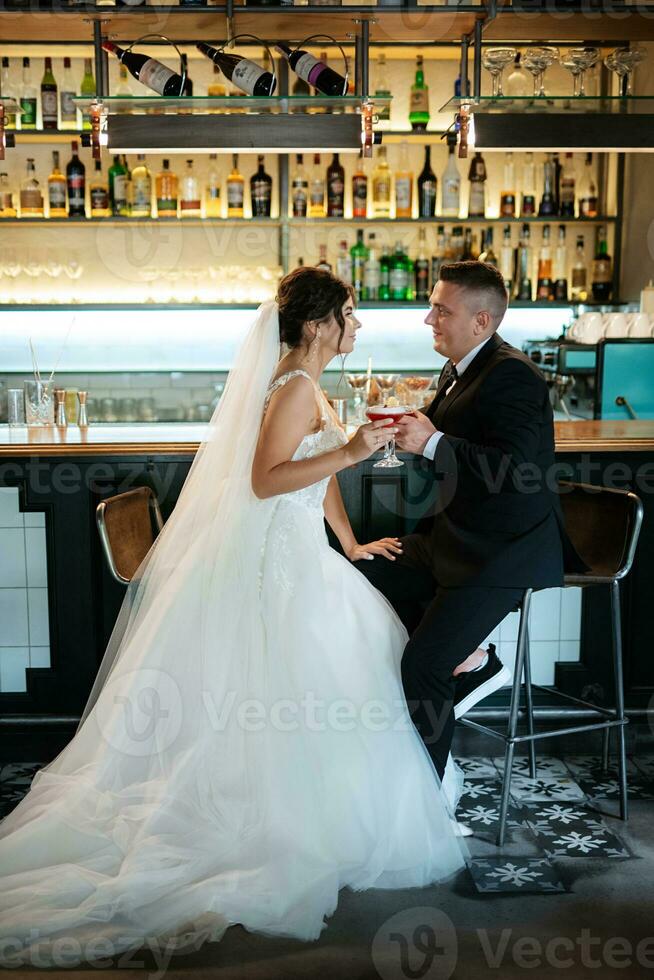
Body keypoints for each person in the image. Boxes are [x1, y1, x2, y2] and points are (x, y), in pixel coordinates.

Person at [0, 268, 470, 969]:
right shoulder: (295, 388)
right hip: (278, 572)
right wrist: (348, 451)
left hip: (305, 555)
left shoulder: (305, 384)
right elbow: (265, 479)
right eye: (350, 314)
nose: (358, 326)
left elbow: (318, 480)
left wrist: (348, 541)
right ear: (318, 326)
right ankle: (283, 826)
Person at [357, 260, 586, 786]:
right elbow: (453, 443)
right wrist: (418, 433)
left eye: (441, 309)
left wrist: (433, 442)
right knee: (364, 572)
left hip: (502, 551)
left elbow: (519, 471)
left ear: (481, 322)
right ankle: (476, 658)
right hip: (453, 539)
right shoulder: (457, 367)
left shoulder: (513, 376)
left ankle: (426, 795)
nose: (428, 319)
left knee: (423, 665)